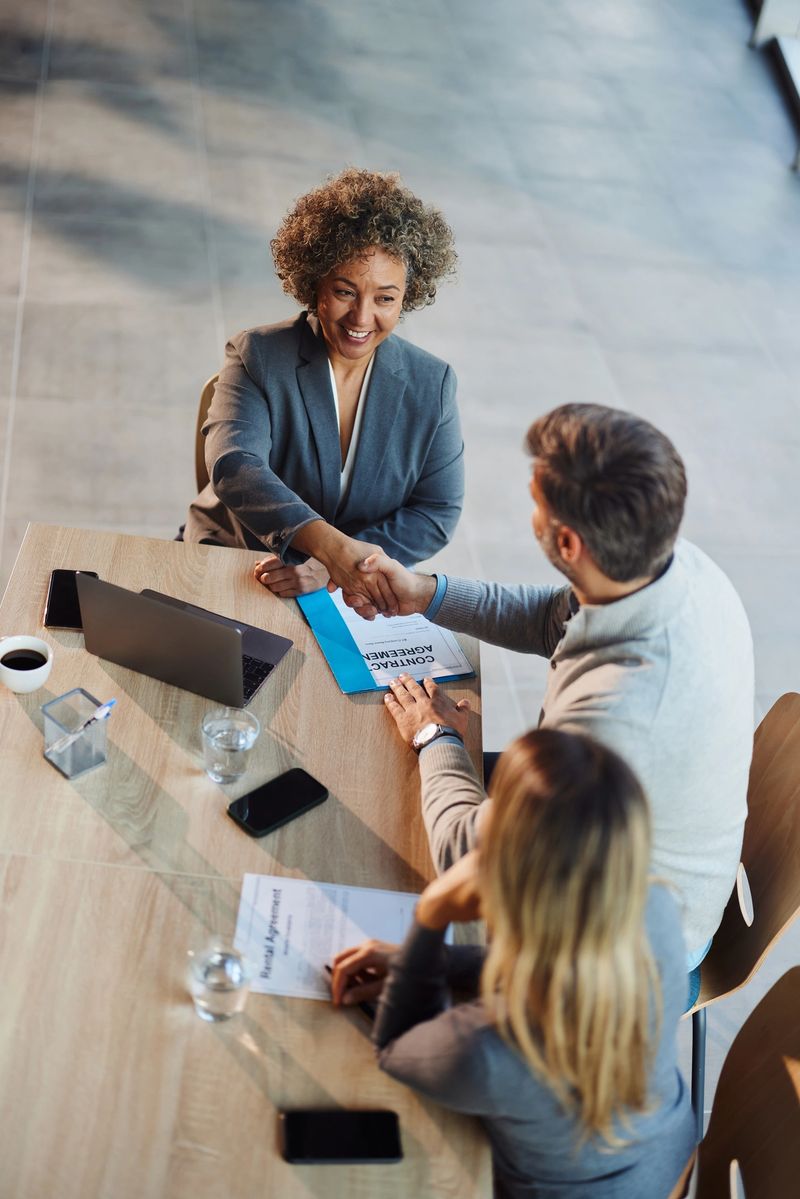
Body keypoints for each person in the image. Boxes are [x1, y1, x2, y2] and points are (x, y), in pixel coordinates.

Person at [344, 403, 754, 967]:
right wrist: (425, 593)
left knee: (370, 842)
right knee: (374, 776)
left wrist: (436, 738)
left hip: (614, 961)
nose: (529, 512)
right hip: (618, 858)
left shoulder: (617, 717)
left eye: (535, 503)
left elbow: (466, 854)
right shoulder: (677, 565)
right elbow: (555, 618)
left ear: (567, 545)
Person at [331, 730, 696, 1199]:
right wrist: (434, 962)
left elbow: (396, 1048)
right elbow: (556, 963)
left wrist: (432, 916)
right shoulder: (654, 906)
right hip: (665, 1158)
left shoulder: (485, 1052)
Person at [183, 168, 464, 609]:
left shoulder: (433, 384)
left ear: (407, 297)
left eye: (385, 299)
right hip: (241, 564)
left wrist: (333, 565)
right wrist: (330, 551)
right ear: (314, 283)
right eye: (345, 291)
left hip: (346, 589)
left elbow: (436, 511)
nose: (361, 318)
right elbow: (235, 465)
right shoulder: (257, 353)